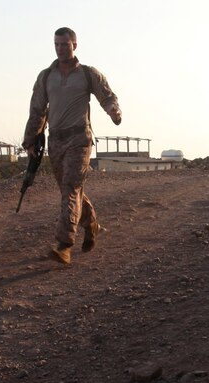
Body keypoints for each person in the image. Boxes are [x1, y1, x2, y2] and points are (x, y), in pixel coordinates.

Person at [22, 27, 122, 265]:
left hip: (80, 139)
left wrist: (113, 111)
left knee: (71, 187)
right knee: (71, 191)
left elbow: (107, 96)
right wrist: (29, 140)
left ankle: (64, 243)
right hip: (56, 140)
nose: (60, 48)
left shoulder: (87, 74)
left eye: (64, 44)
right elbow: (37, 110)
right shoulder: (46, 76)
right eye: (56, 44)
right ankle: (92, 224)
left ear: (74, 45)